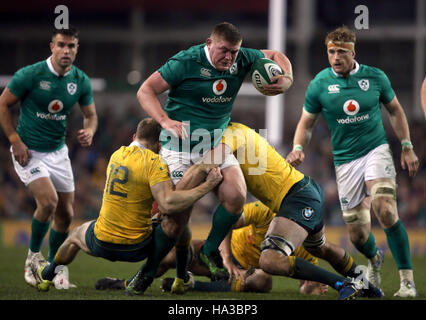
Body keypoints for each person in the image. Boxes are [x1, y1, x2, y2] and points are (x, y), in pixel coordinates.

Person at [136, 21, 293, 281]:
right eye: (223, 50)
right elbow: (145, 90)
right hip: (179, 146)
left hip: (213, 145)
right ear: (209, 43)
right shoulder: (185, 61)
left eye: (234, 52)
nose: (230, 57)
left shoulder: (242, 58)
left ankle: (210, 249)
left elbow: (276, 55)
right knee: (177, 219)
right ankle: (148, 270)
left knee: (236, 196)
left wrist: (286, 78)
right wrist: (164, 121)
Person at [286, 26, 419, 298]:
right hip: (345, 162)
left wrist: (406, 146)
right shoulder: (319, 85)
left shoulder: (375, 77)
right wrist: (298, 147)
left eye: (341, 52)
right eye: (331, 52)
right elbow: (306, 123)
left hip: (376, 150)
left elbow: (395, 110)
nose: (335, 57)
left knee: (384, 208)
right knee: (358, 235)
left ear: (353, 52)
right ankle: (374, 258)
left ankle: (407, 283)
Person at [30, 118, 223, 294]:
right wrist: (207, 185)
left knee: (74, 237)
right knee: (181, 228)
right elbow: (167, 204)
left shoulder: (116, 155)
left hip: (100, 242)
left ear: (134, 137)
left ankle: (46, 276)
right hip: (135, 248)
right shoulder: (155, 162)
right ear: (158, 145)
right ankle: (177, 279)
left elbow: (128, 200)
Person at [0, 26, 98, 288]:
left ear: (77, 49)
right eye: (61, 45)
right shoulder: (30, 75)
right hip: (28, 152)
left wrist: (90, 131)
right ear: (52, 46)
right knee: (48, 202)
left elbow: (91, 115)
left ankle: (55, 267)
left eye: (71, 46)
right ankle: (33, 258)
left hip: (58, 152)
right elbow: (3, 103)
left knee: (66, 214)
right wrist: (14, 140)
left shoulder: (80, 80)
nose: (66, 50)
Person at [95, 200, 328, 296]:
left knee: (263, 281)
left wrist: (310, 288)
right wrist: (225, 257)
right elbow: (226, 223)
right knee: (169, 258)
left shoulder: (302, 240)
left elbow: (304, 283)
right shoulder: (264, 210)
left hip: (245, 270)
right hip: (220, 254)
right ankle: (124, 283)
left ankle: (193, 284)